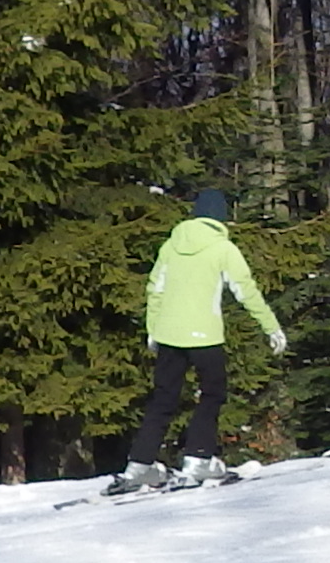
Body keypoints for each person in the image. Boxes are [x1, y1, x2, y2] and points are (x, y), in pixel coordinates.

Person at [109, 192, 287, 496]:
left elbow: (155, 289)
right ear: (221, 218)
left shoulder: (171, 245)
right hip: (205, 336)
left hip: (168, 335)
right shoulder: (223, 248)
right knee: (212, 394)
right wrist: (271, 327)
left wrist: (153, 329)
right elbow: (246, 291)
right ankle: (198, 458)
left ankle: (139, 464)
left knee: (163, 399)